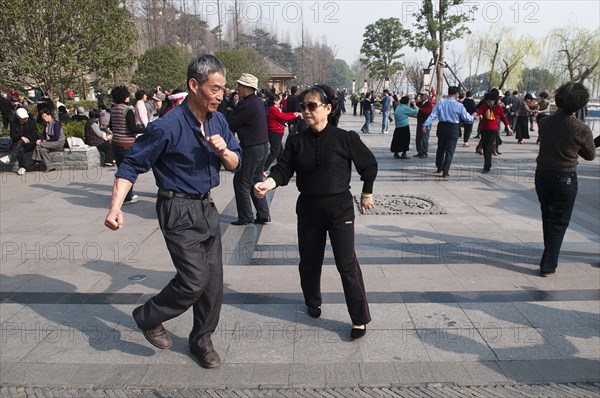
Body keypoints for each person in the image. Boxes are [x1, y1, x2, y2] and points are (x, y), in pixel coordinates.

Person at [104, 54, 241, 368]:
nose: (221, 94)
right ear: (194, 85)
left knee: (213, 282)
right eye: (215, 88)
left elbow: (237, 161)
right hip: (176, 208)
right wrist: (115, 207)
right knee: (194, 280)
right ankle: (148, 315)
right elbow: (131, 165)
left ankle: (201, 340)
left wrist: (224, 152)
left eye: (223, 88)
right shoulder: (165, 126)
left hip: (207, 207)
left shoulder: (219, 119)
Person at [253, 84, 377, 339]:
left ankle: (359, 318)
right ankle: (313, 301)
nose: (306, 111)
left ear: (328, 108)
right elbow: (283, 170)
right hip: (309, 208)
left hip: (340, 209)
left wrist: (367, 193)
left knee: (347, 264)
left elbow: (369, 165)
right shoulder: (297, 141)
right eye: (303, 107)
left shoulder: (345, 138)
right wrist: (268, 183)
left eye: (312, 106)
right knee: (309, 262)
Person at [535, 82, 595, 277]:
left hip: (543, 174)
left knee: (548, 215)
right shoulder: (581, 128)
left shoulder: (544, 122)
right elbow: (590, 155)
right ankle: (548, 263)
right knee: (560, 221)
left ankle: (548, 253)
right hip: (565, 177)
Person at [228, 73, 270, 225]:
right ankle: (263, 213)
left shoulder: (246, 105)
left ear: (247, 88)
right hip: (263, 146)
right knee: (255, 180)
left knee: (241, 182)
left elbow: (231, 124)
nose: (238, 88)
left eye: (240, 86)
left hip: (252, 148)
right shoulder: (257, 102)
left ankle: (246, 217)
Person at [422, 86, 476, 178]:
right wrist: (474, 117)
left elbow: (433, 115)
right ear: (456, 94)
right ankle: (445, 171)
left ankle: (439, 167)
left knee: (440, 148)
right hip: (453, 128)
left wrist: (425, 124)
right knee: (450, 151)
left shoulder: (440, 103)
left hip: (442, 126)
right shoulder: (459, 105)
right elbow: (467, 118)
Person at [109, 85, 146, 205]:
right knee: (129, 171)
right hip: (127, 144)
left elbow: (110, 126)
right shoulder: (127, 110)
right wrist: (146, 128)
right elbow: (133, 128)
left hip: (115, 143)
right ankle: (127, 197)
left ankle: (124, 195)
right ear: (125, 97)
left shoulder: (113, 109)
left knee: (121, 170)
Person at [474, 89, 513, 173]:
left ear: (494, 100)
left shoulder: (498, 107)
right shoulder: (484, 106)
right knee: (485, 147)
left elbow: (503, 118)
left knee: (488, 147)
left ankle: (487, 166)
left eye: (491, 101)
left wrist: (508, 128)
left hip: (493, 130)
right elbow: (478, 112)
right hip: (484, 129)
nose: (489, 102)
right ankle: (487, 163)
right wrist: (473, 115)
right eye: (488, 101)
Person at [264, 93, 302, 172]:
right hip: (274, 132)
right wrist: (295, 115)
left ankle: (281, 168)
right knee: (275, 152)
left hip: (277, 132)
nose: (280, 101)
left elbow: (283, 114)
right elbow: (283, 117)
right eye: (278, 100)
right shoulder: (273, 109)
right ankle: (263, 168)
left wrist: (294, 114)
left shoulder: (275, 108)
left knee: (280, 152)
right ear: (275, 101)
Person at [0, 107, 39, 175]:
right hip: (18, 143)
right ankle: (22, 167)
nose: (25, 119)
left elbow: (35, 135)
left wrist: (26, 138)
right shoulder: (13, 123)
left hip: (30, 143)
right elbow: (13, 136)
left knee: (21, 142)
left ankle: (10, 156)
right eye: (23, 118)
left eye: (26, 118)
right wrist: (21, 137)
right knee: (20, 148)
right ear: (18, 117)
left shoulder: (31, 122)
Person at [414, 92, 433, 159]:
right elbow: (413, 105)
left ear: (426, 97)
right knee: (418, 137)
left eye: (422, 96)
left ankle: (424, 152)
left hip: (426, 123)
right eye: (420, 96)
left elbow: (427, 111)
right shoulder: (420, 103)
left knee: (424, 138)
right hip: (419, 122)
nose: (421, 97)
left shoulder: (429, 104)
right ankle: (419, 151)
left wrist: (418, 108)